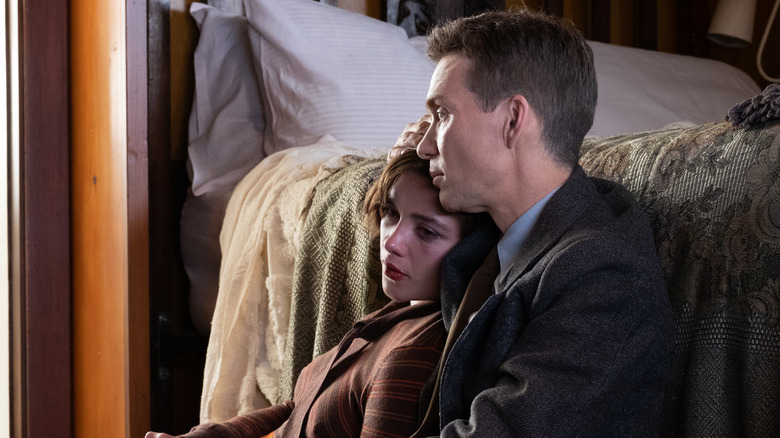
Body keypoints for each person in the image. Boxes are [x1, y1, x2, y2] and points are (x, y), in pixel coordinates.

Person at [390, 7, 676, 437]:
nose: (427, 145)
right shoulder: (515, 229)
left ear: (512, 120)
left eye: (443, 114)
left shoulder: (604, 275)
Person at [145, 152, 488, 438]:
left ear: (472, 250)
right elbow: (298, 409)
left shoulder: (413, 355)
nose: (391, 242)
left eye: (426, 232)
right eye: (390, 212)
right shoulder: (398, 314)